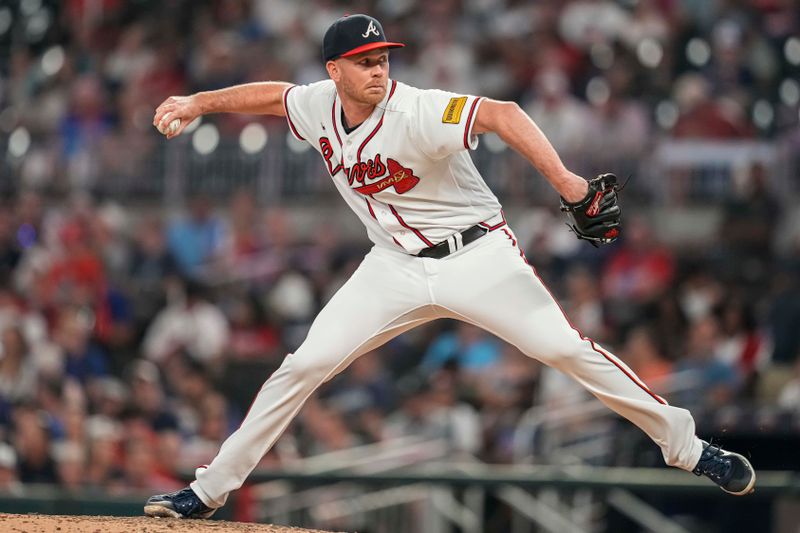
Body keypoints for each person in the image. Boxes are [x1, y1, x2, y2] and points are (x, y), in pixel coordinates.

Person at [144, 14, 755, 520]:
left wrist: (569, 185)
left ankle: (689, 448)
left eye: (382, 58)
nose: (378, 69)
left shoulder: (417, 110)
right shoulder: (317, 105)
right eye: (364, 61)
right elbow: (272, 97)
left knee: (568, 350)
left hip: (478, 257)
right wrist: (198, 101)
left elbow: (505, 113)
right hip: (392, 267)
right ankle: (208, 491)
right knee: (302, 364)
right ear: (335, 72)